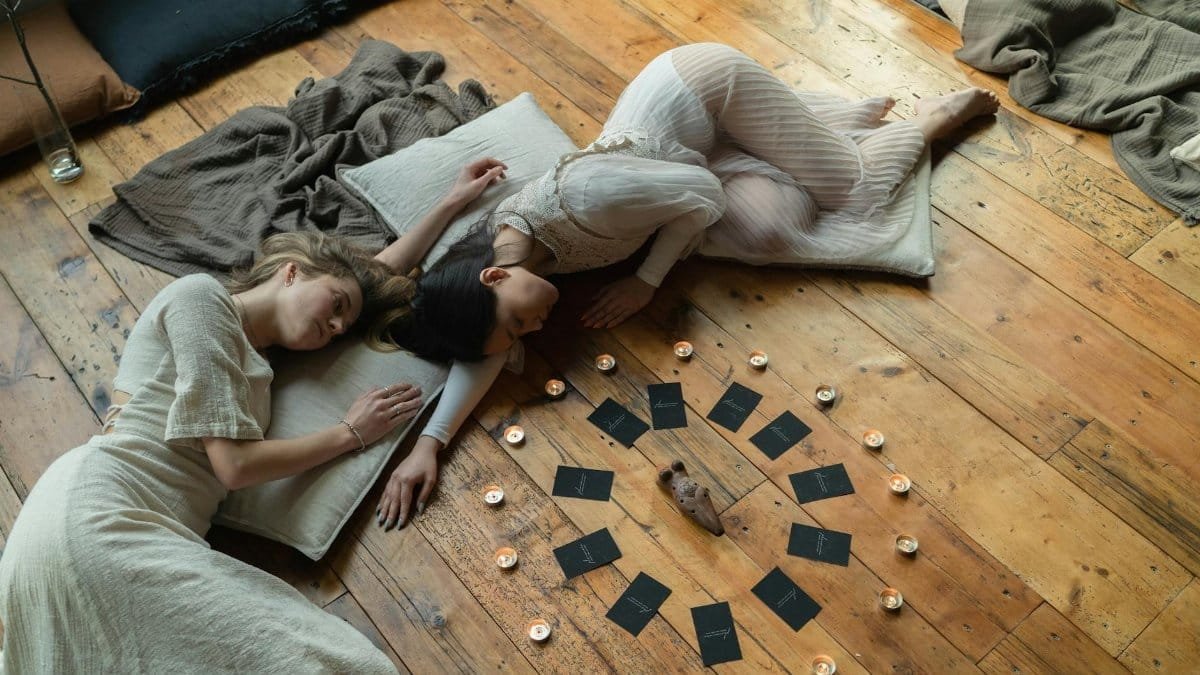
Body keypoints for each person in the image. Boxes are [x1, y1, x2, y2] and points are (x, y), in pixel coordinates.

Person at [371, 42, 1000, 527]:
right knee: (769, 233)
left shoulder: (579, 201)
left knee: (853, 194)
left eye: (519, 324)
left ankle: (935, 114)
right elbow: (483, 346)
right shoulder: (503, 265)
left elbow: (701, 193)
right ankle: (788, 142)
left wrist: (646, 281)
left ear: (494, 275)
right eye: (519, 334)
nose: (532, 331)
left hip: (705, 89)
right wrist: (429, 444)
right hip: (679, 158)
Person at [0, 233, 421, 672]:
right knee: (321, 659)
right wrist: (350, 432)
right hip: (97, 515)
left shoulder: (254, 360)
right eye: (335, 307)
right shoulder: (202, 298)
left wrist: (456, 199)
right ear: (292, 271)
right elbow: (233, 466)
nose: (336, 327)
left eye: (343, 329)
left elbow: (369, 275)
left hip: (116, 530)